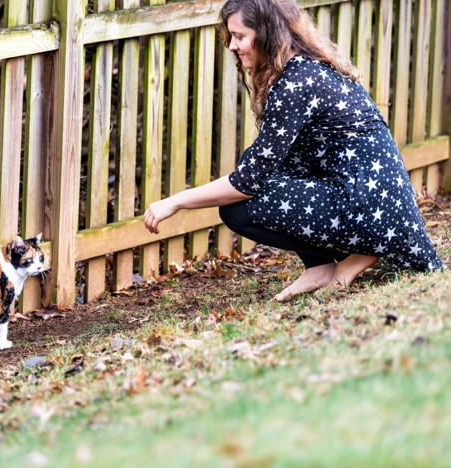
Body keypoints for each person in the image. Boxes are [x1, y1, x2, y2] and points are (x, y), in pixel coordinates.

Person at [143, 0, 445, 301]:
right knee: (253, 160)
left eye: (240, 36)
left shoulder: (296, 82)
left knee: (237, 209)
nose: (232, 46)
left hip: (371, 206)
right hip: (370, 196)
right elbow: (263, 163)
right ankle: (320, 266)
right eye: (231, 37)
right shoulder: (301, 68)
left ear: (267, 34)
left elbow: (249, 182)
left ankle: (363, 252)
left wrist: (176, 202)